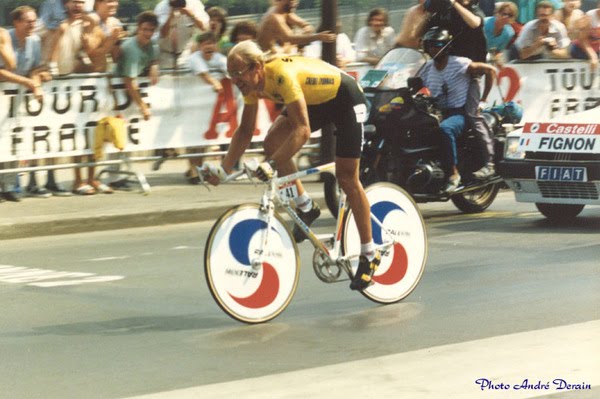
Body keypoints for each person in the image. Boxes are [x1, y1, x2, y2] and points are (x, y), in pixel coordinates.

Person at [206, 40, 379, 291]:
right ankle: (306, 207)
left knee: (347, 178)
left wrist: (272, 164)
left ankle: (369, 254)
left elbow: (303, 129)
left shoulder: (281, 76)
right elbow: (244, 131)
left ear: (256, 67)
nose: (234, 80)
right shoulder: (250, 84)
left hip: (346, 98)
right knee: (273, 141)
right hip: (318, 100)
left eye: (238, 73)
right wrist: (223, 169)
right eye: (230, 74)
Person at [424, 0, 497, 180]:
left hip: (471, 70)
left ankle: (490, 163)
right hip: (449, 67)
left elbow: (474, 23)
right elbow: (422, 31)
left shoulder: (473, 10)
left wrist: (455, 3)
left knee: (472, 114)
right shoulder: (443, 14)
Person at [115, 11, 159, 121]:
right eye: (145, 29)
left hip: (135, 82)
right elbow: (129, 82)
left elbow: (153, 59)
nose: (148, 33)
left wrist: (153, 66)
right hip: (119, 85)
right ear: (138, 28)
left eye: (152, 30)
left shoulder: (153, 43)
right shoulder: (131, 49)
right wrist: (143, 107)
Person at [257, 0, 336, 54]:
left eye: (295, 0)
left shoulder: (285, 12)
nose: (295, 3)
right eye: (291, 0)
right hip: (271, 57)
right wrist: (318, 37)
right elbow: (290, 38)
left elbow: (305, 25)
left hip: (285, 53)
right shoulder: (274, 17)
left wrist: (306, 29)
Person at [154, 0, 209, 69]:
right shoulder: (160, 8)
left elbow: (205, 28)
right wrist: (170, 18)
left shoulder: (195, 4)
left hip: (185, 54)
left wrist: (191, 15)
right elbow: (162, 34)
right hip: (165, 55)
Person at [570, 2, 600, 68]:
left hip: (596, 51)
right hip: (579, 50)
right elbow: (582, 39)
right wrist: (593, 56)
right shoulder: (590, 15)